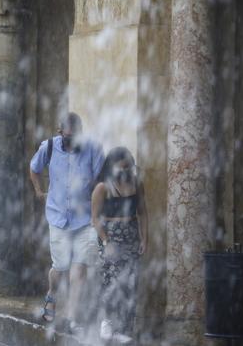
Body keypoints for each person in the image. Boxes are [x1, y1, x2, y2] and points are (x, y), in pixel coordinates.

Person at [29, 112, 104, 331]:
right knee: (60, 267)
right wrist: (38, 191)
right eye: (67, 138)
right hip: (58, 217)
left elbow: (102, 179)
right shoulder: (49, 147)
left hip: (85, 219)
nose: (71, 143)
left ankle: (73, 318)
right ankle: (52, 293)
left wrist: (98, 209)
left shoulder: (93, 148)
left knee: (79, 268)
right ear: (60, 132)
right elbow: (34, 169)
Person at [91, 147, 148, 343]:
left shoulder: (136, 184)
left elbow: (143, 212)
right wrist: (106, 242)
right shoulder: (103, 188)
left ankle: (126, 327)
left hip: (131, 237)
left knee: (130, 282)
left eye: (128, 168)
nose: (124, 172)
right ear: (111, 167)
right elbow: (95, 219)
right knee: (111, 280)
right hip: (111, 238)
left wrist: (144, 238)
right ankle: (107, 322)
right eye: (120, 168)